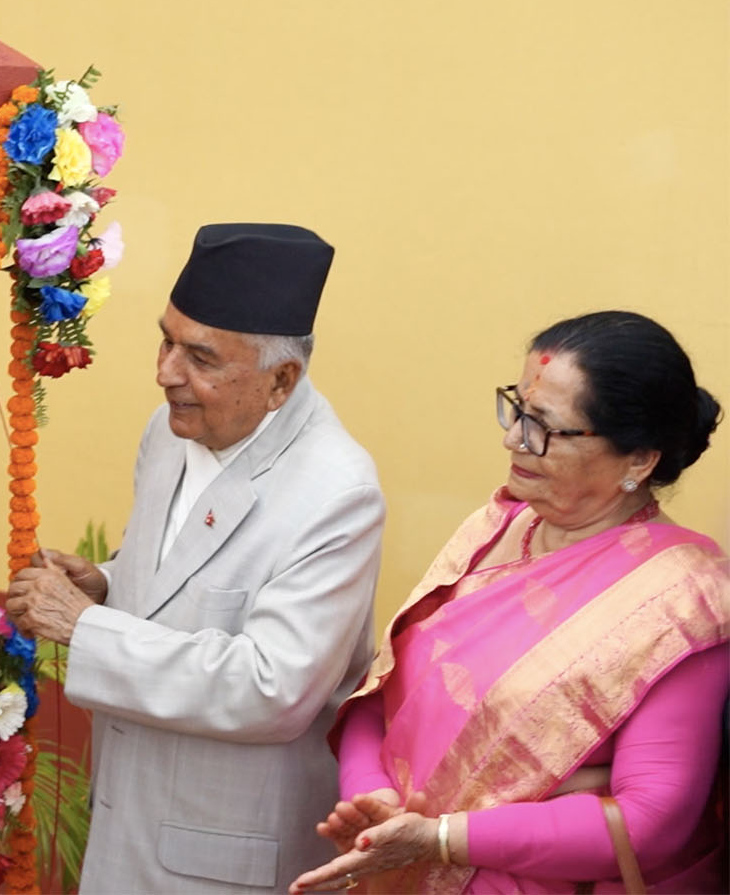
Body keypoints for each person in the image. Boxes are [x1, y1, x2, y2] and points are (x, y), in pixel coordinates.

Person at [289, 310, 728, 894]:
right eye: (517, 409)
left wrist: (441, 836)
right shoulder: (493, 529)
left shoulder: (682, 598)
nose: (513, 438)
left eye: (543, 426)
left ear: (638, 460)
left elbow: (650, 821)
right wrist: (373, 798)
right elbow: (380, 697)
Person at [7, 222, 386, 893]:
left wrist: (85, 627)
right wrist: (108, 584)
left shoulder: (337, 492)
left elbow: (273, 689)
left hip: (223, 860)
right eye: (166, 341)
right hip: (126, 816)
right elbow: (182, 578)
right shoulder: (171, 428)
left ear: (281, 381)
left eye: (201, 358)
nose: (165, 374)